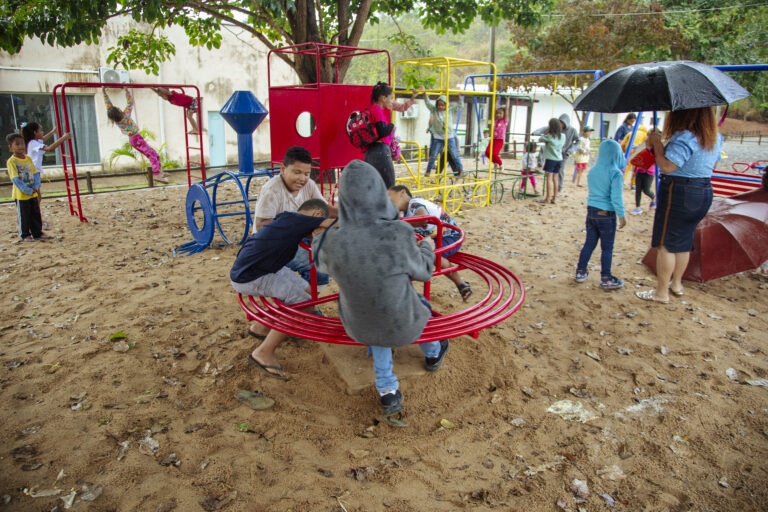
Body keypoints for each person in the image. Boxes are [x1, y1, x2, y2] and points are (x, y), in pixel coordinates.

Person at [313, 160, 450, 415]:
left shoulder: (331, 241)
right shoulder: (398, 233)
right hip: (401, 324)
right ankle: (433, 353)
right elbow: (424, 272)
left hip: (358, 327)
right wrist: (426, 249)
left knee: (375, 305)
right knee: (411, 305)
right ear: (379, 193)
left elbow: (319, 259)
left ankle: (387, 391)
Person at [231, 198, 334, 380]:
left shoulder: (286, 220)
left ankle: (261, 327)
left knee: (305, 290)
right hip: (251, 275)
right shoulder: (299, 220)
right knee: (300, 302)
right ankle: (264, 352)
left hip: (257, 268)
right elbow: (334, 223)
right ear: (316, 215)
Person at [636, 107, 723, 304]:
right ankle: (676, 284)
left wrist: (657, 144)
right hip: (704, 190)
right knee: (684, 241)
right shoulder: (715, 137)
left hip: (679, 191)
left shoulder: (685, 137)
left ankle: (660, 293)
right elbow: (712, 165)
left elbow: (667, 166)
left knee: (666, 244)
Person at [252, 146, 337, 286]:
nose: (302, 178)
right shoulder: (272, 190)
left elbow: (324, 208)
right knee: (316, 267)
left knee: (332, 253)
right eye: (297, 172)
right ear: (283, 169)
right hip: (271, 245)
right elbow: (261, 225)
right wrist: (293, 230)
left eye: (306, 174)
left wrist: (346, 214)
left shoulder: (308, 185)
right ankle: (304, 303)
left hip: (297, 238)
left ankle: (303, 299)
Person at [388, 185, 473, 301]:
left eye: (389, 196)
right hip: (435, 237)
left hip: (450, 236)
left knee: (430, 252)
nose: (387, 201)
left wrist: (401, 224)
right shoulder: (403, 214)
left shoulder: (414, 203)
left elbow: (423, 218)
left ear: (403, 193)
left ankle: (461, 284)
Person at [574, 139, 627, 289]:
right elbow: (616, 198)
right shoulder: (616, 173)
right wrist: (621, 216)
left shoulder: (593, 170)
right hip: (606, 215)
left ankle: (580, 271)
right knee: (607, 248)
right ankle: (606, 278)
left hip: (591, 211)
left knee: (589, 243)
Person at [103, 88, 169, 183]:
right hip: (136, 138)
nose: (119, 109)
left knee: (153, 153)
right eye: (118, 109)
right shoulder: (125, 116)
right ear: (118, 112)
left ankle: (160, 172)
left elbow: (108, 106)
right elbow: (130, 103)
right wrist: (127, 92)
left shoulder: (117, 120)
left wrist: (104, 93)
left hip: (134, 139)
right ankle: (157, 174)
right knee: (151, 155)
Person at [21, 123, 71, 227]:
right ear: (35, 132)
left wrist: (52, 133)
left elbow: (43, 138)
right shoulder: (33, 143)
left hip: (33, 171)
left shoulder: (34, 141)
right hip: (31, 172)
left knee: (37, 197)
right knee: (36, 197)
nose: (42, 132)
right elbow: (49, 149)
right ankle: (35, 219)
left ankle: (36, 219)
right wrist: (63, 138)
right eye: (40, 130)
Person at [5, 133, 53, 241]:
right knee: (24, 215)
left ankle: (37, 232)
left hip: (33, 191)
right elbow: (15, 179)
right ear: (10, 147)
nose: (21, 146)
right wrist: (27, 190)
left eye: (22, 143)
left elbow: (35, 173)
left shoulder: (28, 158)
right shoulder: (11, 161)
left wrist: (36, 186)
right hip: (22, 194)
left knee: (35, 213)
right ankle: (25, 234)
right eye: (17, 144)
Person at [364, 82, 397, 188]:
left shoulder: (371, 109)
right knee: (390, 185)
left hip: (370, 152)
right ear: (383, 98)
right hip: (381, 152)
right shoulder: (378, 110)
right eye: (391, 98)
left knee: (374, 187)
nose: (392, 101)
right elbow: (382, 132)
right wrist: (391, 125)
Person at [423, 93, 463, 178]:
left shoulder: (450, 111)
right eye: (439, 105)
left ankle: (460, 170)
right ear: (437, 104)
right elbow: (428, 104)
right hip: (438, 136)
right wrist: (424, 94)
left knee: (454, 154)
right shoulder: (435, 110)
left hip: (448, 136)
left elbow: (459, 106)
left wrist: (460, 97)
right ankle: (428, 170)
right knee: (433, 154)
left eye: (442, 105)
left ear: (446, 105)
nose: (440, 107)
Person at [533, 114, 578, 190]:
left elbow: (578, 141)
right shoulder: (556, 129)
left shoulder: (572, 131)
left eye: (562, 123)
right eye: (559, 122)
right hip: (553, 154)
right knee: (553, 175)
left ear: (566, 123)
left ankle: (559, 188)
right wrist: (536, 132)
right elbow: (545, 128)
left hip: (563, 154)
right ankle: (554, 191)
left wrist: (570, 150)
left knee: (558, 172)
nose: (560, 124)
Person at [535, 118, 565, 204]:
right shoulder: (563, 136)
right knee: (555, 179)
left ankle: (547, 198)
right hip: (559, 159)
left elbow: (540, 138)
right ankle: (554, 198)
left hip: (550, 159)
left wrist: (547, 132)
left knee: (549, 179)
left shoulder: (549, 137)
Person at [485, 107, 507, 172]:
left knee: (494, 154)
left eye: (500, 113)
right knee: (487, 152)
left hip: (500, 140)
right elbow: (494, 108)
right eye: (497, 113)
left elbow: (507, 109)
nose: (498, 115)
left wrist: (508, 100)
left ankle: (501, 164)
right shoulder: (495, 120)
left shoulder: (505, 121)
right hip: (493, 139)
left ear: (504, 114)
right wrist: (496, 99)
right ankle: (495, 163)